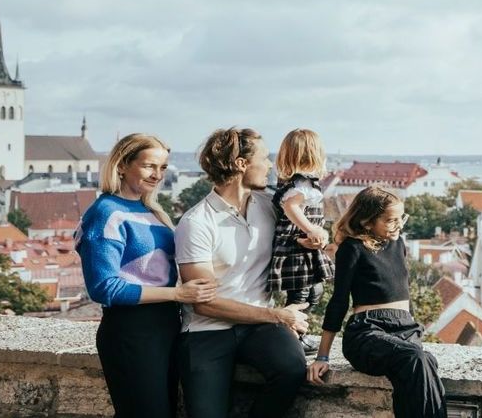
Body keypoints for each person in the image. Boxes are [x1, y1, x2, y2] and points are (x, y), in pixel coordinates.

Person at [175, 127, 324, 418]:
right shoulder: (196, 222)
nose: (270, 165)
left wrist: (312, 237)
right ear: (241, 164)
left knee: (292, 368)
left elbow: (300, 238)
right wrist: (278, 315)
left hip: (259, 327)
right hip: (208, 329)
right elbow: (203, 302)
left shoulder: (269, 206)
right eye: (264, 158)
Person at [76, 133, 218, 418]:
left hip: (163, 326)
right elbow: (104, 287)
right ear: (122, 165)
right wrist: (178, 293)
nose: (157, 175)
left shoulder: (149, 210)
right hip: (131, 329)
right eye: (149, 166)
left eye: (163, 168)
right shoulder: (105, 213)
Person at [305, 185, 447, 418]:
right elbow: (339, 302)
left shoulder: (398, 243)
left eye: (401, 218)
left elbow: (405, 293)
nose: (399, 225)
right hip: (368, 332)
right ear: (367, 222)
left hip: (405, 330)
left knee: (425, 362)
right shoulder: (352, 249)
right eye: (391, 220)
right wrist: (322, 357)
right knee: (416, 358)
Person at [266, 128, 333, 353]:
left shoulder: (299, 183)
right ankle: (290, 335)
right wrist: (311, 229)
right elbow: (290, 207)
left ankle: (294, 333)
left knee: (314, 291)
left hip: (301, 248)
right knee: (302, 293)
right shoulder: (300, 185)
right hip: (295, 248)